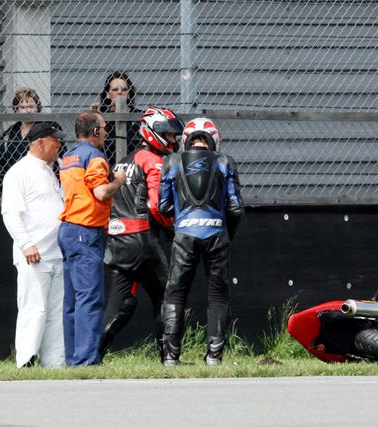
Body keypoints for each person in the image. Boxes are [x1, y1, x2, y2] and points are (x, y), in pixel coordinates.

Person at [158, 118, 245, 366]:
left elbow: (163, 207)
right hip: (217, 234)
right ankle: (214, 356)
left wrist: (180, 220)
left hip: (185, 234)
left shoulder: (172, 161)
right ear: (215, 139)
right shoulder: (225, 161)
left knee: (175, 294)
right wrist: (228, 233)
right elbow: (236, 208)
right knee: (218, 295)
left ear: (186, 139)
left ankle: (171, 356)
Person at [100, 107, 185, 361]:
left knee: (120, 302)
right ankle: (170, 357)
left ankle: (92, 355)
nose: (173, 140)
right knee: (166, 296)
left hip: (116, 240)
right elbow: (156, 206)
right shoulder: (152, 160)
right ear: (152, 133)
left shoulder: (123, 161)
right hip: (142, 239)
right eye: (169, 135)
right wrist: (170, 227)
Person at [57, 110, 126, 366]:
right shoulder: (95, 157)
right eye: (105, 128)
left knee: (73, 299)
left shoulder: (69, 156)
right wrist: (118, 181)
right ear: (95, 131)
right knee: (89, 297)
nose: (107, 132)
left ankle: (74, 358)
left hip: (68, 230)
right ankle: (86, 359)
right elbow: (101, 192)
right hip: (85, 231)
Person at [1, 123, 67, 368]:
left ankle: (54, 364)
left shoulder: (52, 170)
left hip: (56, 253)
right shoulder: (19, 171)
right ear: (39, 142)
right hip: (34, 255)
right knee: (34, 309)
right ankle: (26, 360)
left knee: (55, 312)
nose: (59, 144)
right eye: (54, 140)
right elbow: (10, 213)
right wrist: (26, 244)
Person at [0, 88, 64, 198]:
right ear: (16, 110)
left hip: (46, 187)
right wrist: (1, 192)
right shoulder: (9, 135)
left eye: (31, 106)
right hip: (18, 189)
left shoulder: (50, 128)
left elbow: (62, 158)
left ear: (38, 108)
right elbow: (1, 166)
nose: (28, 111)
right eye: (23, 107)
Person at [91, 71, 142, 166]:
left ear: (129, 94)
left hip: (135, 168)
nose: (120, 92)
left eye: (124, 89)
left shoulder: (140, 116)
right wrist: (93, 117)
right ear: (107, 94)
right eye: (115, 89)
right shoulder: (103, 117)